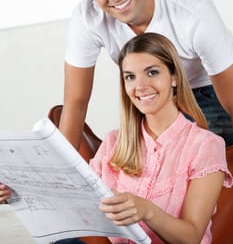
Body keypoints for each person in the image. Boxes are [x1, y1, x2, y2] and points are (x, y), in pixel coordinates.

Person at [60, 0, 233, 150]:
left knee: (193, 156)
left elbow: (230, 97)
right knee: (132, 162)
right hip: (151, 95)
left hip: (207, 90)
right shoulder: (88, 17)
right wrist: (56, 175)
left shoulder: (191, 10)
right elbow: (76, 102)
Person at [89, 32, 232, 243]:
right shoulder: (113, 142)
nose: (140, 86)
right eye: (130, 76)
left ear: (174, 77)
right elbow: (82, 208)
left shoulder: (206, 146)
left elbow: (191, 237)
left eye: (152, 72)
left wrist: (146, 210)